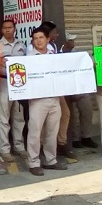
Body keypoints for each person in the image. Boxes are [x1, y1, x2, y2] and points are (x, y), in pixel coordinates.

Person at [26, 27, 66, 176]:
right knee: (35, 132)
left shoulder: (54, 55)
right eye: (35, 38)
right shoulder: (29, 58)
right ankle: (34, 162)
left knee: (52, 131)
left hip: (54, 98)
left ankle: (51, 160)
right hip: (37, 100)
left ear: (48, 39)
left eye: (41, 37)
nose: (38, 41)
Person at [0, 19, 27, 162]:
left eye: (10, 27)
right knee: (4, 117)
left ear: (15, 29)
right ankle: (4, 149)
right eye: (5, 28)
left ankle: (19, 147)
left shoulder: (21, 45)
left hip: (19, 83)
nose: (8, 30)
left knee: (19, 117)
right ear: (2, 30)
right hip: (3, 82)